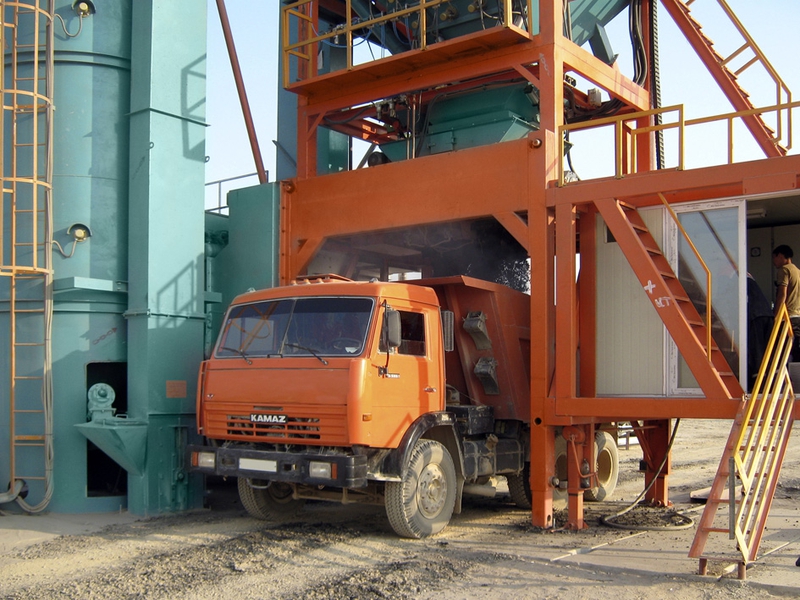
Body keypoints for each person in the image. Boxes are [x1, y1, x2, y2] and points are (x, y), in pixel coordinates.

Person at [772, 245, 800, 360]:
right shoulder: (797, 271)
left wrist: (776, 316)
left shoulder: (784, 270)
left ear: (781, 255)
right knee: (796, 349)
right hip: (797, 315)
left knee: (783, 351)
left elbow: (782, 294)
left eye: (774, 257)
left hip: (787, 317)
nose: (774, 261)